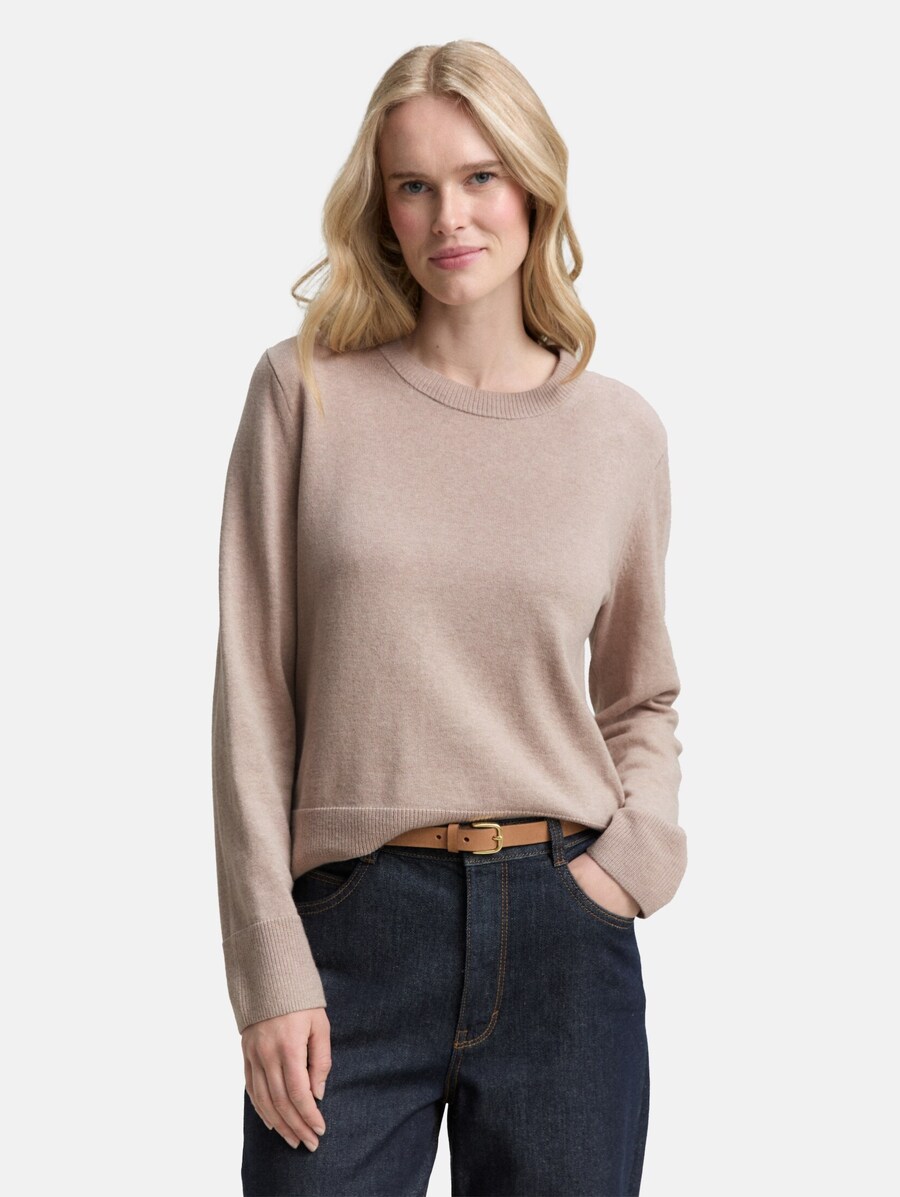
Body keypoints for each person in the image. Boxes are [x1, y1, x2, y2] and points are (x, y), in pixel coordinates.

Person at [212, 38, 687, 1197]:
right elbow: (253, 699)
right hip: (352, 934)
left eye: (480, 176)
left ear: (534, 186)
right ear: (381, 210)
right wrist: (268, 966)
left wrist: (632, 867)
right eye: (414, 186)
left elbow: (639, 693)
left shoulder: (619, 433)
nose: (450, 217)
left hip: (566, 934)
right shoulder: (304, 394)